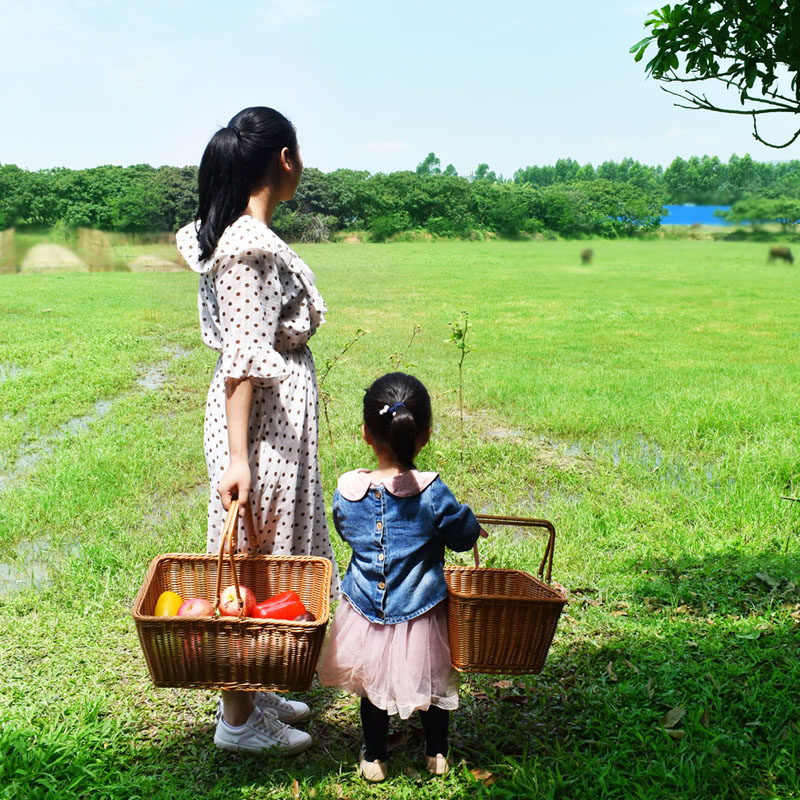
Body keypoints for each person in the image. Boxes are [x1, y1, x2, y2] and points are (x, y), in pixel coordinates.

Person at [176, 106, 339, 756]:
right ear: (284, 161)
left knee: (267, 554)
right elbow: (244, 360)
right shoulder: (245, 246)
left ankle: (257, 688)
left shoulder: (249, 236)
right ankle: (237, 719)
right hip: (259, 433)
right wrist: (238, 458)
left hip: (273, 430)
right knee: (249, 557)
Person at [317, 372, 486, 782]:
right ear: (424, 436)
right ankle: (437, 753)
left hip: (365, 611)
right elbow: (462, 538)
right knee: (431, 683)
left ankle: (375, 756)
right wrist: (468, 521)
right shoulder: (431, 492)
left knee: (371, 684)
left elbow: (345, 528)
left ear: (365, 434)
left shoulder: (347, 490)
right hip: (420, 611)